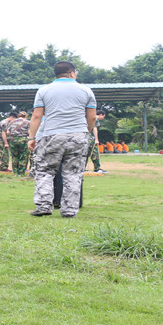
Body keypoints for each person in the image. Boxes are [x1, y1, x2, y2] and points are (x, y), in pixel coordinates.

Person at [28, 61, 96, 217]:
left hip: (52, 135)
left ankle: (44, 206)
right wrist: (85, 133)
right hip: (78, 135)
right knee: (73, 173)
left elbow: (37, 116)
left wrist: (32, 137)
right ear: (72, 73)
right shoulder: (86, 90)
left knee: (44, 170)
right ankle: (69, 210)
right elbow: (92, 117)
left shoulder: (43, 90)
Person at [7, 111, 31, 176]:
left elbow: (8, 132)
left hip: (13, 140)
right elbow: (29, 132)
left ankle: (15, 172)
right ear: (25, 116)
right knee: (23, 156)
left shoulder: (12, 122)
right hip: (23, 139)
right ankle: (21, 172)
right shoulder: (27, 122)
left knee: (14, 156)